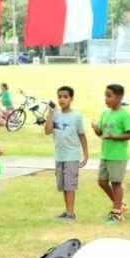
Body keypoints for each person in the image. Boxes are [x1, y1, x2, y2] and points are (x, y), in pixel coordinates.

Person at [44, 85, 88, 220]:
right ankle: (67, 211)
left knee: (70, 186)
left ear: (71, 98)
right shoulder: (55, 114)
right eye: (59, 97)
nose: (62, 99)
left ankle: (70, 213)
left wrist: (85, 155)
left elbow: (82, 135)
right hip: (59, 155)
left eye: (65, 97)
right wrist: (50, 113)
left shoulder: (77, 116)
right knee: (63, 186)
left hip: (72, 155)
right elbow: (47, 131)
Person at [93, 83, 130, 222]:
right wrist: (96, 128)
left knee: (116, 183)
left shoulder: (124, 115)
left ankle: (117, 213)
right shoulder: (105, 113)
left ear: (119, 97)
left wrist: (113, 137)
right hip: (105, 154)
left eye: (109, 96)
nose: (106, 99)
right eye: (105, 95)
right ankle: (120, 204)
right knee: (102, 182)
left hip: (118, 155)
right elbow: (101, 133)